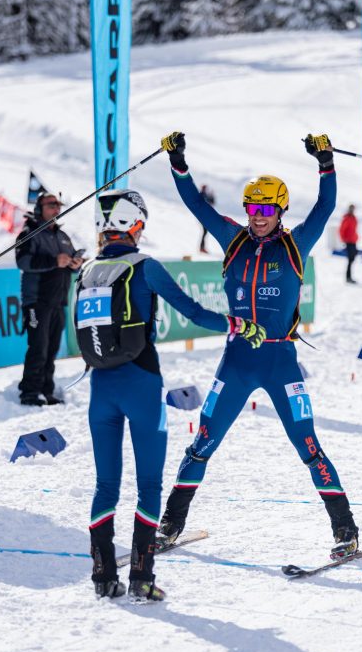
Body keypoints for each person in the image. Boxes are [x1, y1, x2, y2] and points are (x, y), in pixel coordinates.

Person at [157, 130, 361, 561]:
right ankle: (171, 523)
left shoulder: (294, 244)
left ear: (280, 210)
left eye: (266, 208)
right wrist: (179, 162)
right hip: (236, 362)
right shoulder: (233, 239)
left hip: (281, 362)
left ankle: (345, 529)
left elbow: (325, 208)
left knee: (308, 446)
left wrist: (325, 162)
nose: (258, 216)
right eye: (252, 207)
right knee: (203, 443)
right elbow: (196, 204)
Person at [77, 188, 266, 602]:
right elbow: (195, 313)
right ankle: (142, 578)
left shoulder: (86, 271)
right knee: (148, 486)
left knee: (105, 485)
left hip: (99, 390)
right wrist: (237, 324)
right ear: (134, 225)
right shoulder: (145, 267)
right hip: (141, 386)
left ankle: (102, 576)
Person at [16, 192, 82, 406]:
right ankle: (30, 392)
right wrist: (54, 260)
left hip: (58, 300)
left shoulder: (62, 236)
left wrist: (76, 263)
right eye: (51, 205)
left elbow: (71, 261)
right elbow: (23, 261)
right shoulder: (29, 233)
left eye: (58, 205)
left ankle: (47, 390)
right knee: (38, 347)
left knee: (52, 348)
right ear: (39, 209)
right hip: (37, 301)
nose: (56, 209)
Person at [339, 204, 359, 284]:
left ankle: (349, 277)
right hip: (349, 241)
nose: (352, 210)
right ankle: (348, 277)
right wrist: (344, 239)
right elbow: (341, 230)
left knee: (352, 259)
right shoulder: (347, 218)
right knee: (350, 260)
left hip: (353, 241)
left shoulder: (353, 218)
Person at [198, 184, 216, 253]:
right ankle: (202, 248)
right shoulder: (202, 195)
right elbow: (208, 202)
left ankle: (202, 247)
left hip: (205, 216)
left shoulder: (205, 195)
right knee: (204, 232)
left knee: (205, 232)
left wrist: (212, 195)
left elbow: (212, 202)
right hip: (203, 216)